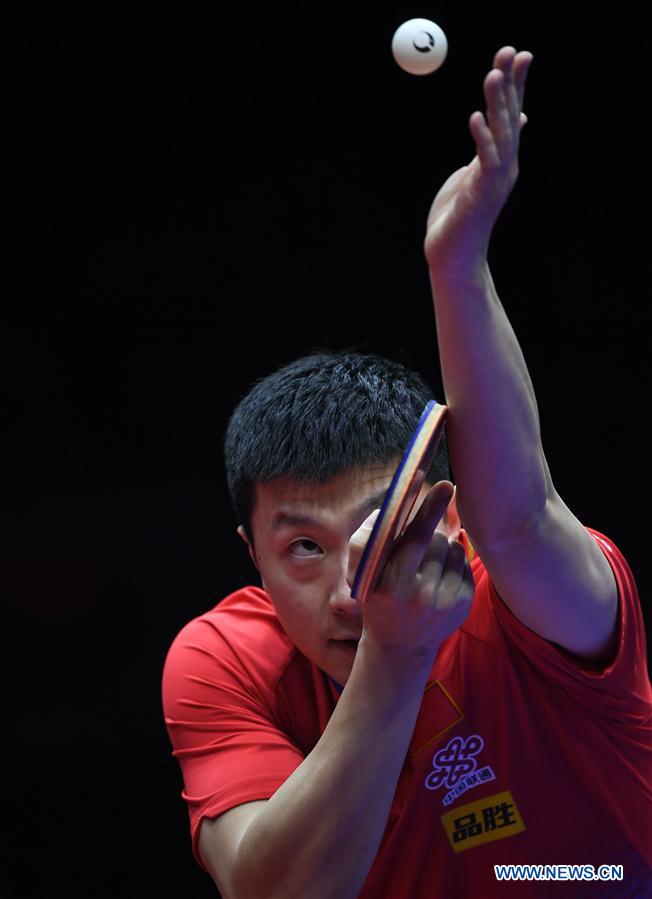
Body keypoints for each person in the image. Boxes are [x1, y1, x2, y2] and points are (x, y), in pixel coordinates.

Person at [162, 47, 652, 897]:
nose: (348, 589)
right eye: (303, 550)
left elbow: (522, 516)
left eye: (372, 527)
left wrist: (457, 269)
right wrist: (397, 645)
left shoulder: (542, 596)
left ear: (442, 511)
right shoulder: (224, 658)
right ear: (253, 555)